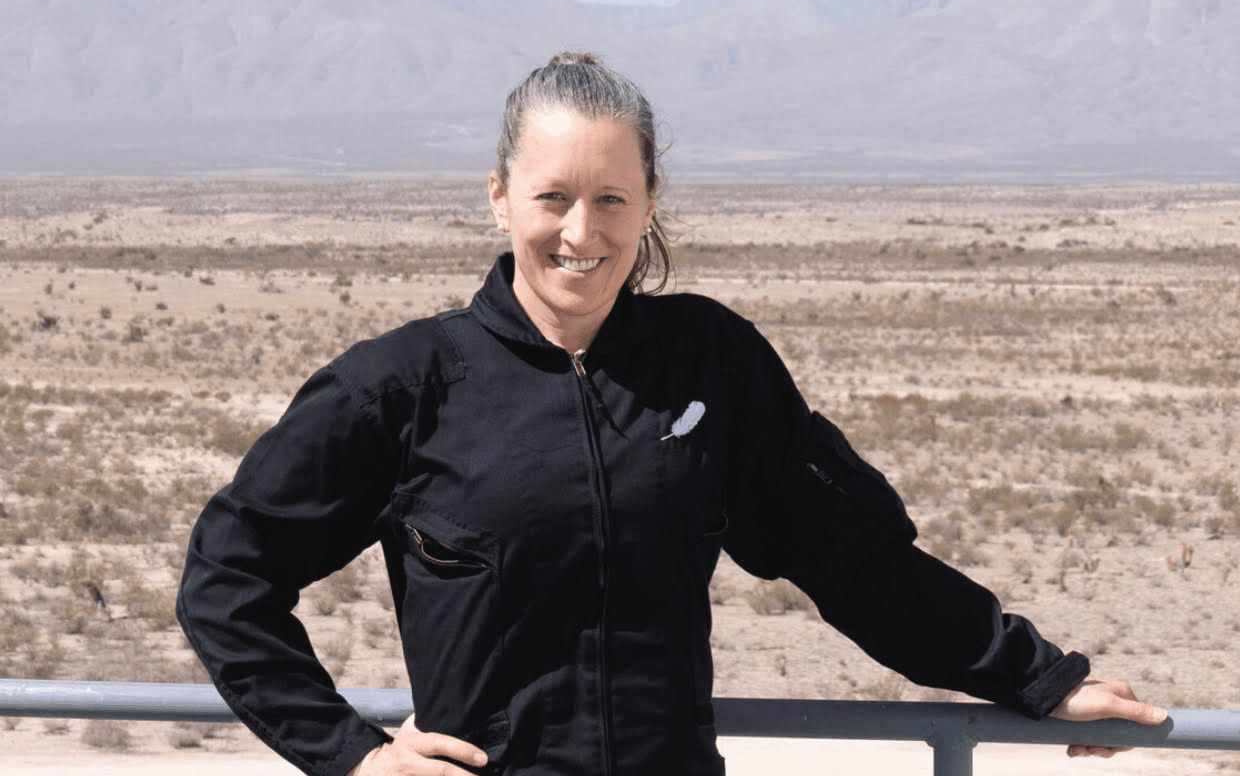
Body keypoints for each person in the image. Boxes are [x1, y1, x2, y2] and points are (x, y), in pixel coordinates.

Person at [178, 52, 1167, 776]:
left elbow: (850, 560)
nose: (581, 230)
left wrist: (1038, 677)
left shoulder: (710, 362)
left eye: (612, 198)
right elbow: (227, 576)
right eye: (553, 195)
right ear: (497, 198)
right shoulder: (400, 385)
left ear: (648, 201)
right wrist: (348, 753)